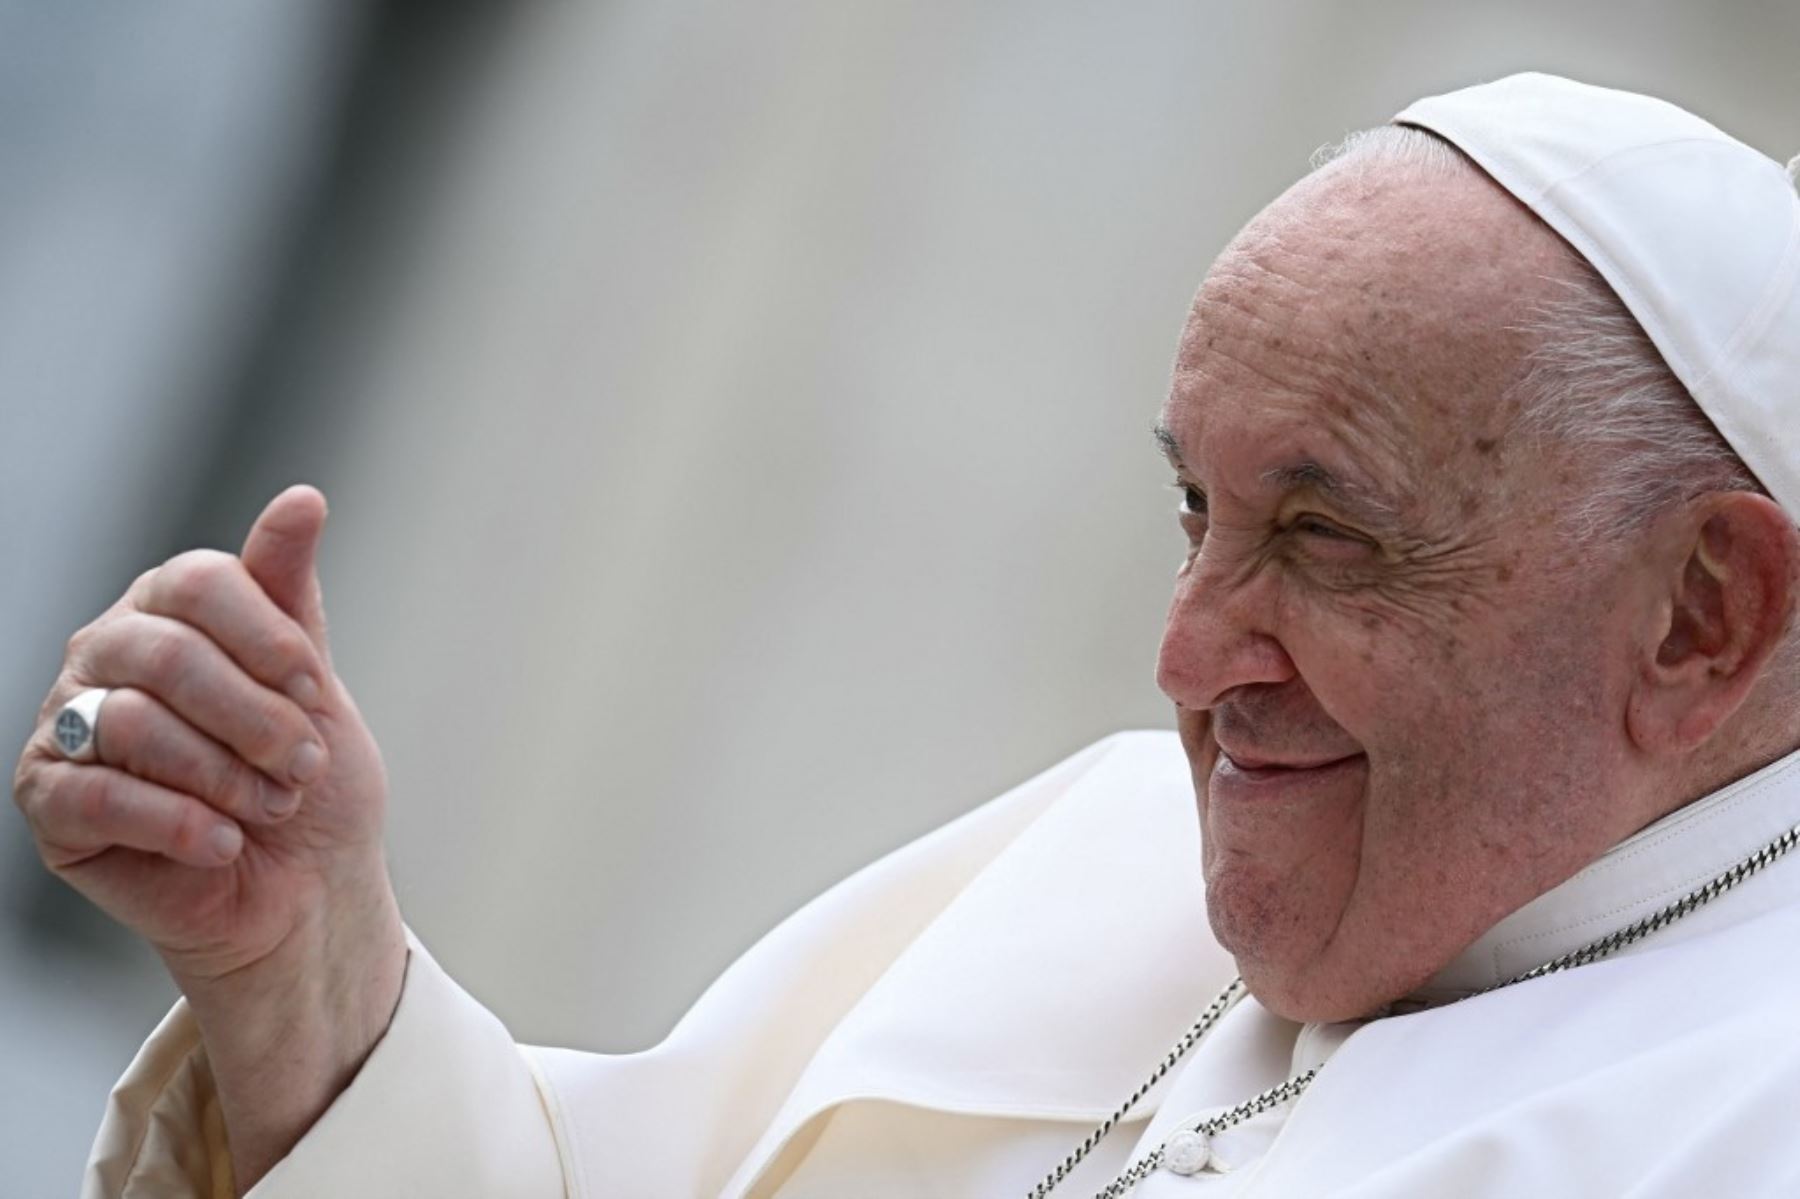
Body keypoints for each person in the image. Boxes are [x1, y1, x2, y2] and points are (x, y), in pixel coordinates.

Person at [15, 71, 1800, 1198]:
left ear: (1703, 615)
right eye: (1199, 516)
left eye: (1327, 538)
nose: (1189, 657)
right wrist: (311, 973)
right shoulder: (1097, 853)